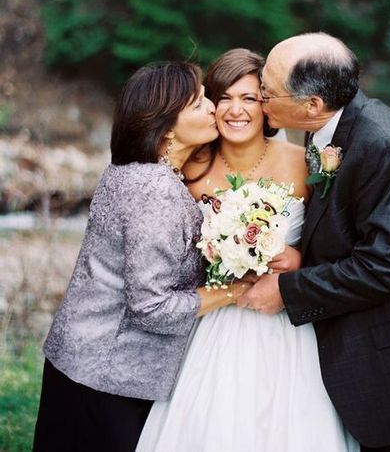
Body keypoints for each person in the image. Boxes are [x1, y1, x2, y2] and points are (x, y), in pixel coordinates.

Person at [238, 33, 390, 452]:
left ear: (312, 104)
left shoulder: (383, 144)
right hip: (389, 359)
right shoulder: (328, 129)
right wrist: (299, 255)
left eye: (266, 92)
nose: (259, 101)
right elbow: (347, 227)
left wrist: (287, 290)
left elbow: (386, 266)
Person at [135, 48, 358, 452]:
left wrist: (300, 259)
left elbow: (338, 244)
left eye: (250, 98)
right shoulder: (190, 172)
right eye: (224, 98)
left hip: (290, 323)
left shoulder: (305, 163)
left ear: (267, 106)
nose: (235, 110)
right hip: (217, 324)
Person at [32, 62, 251, 452]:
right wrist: (234, 291)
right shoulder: (156, 191)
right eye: (199, 103)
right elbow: (150, 306)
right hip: (107, 377)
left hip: (79, 362)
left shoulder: (129, 171)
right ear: (167, 127)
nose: (213, 108)